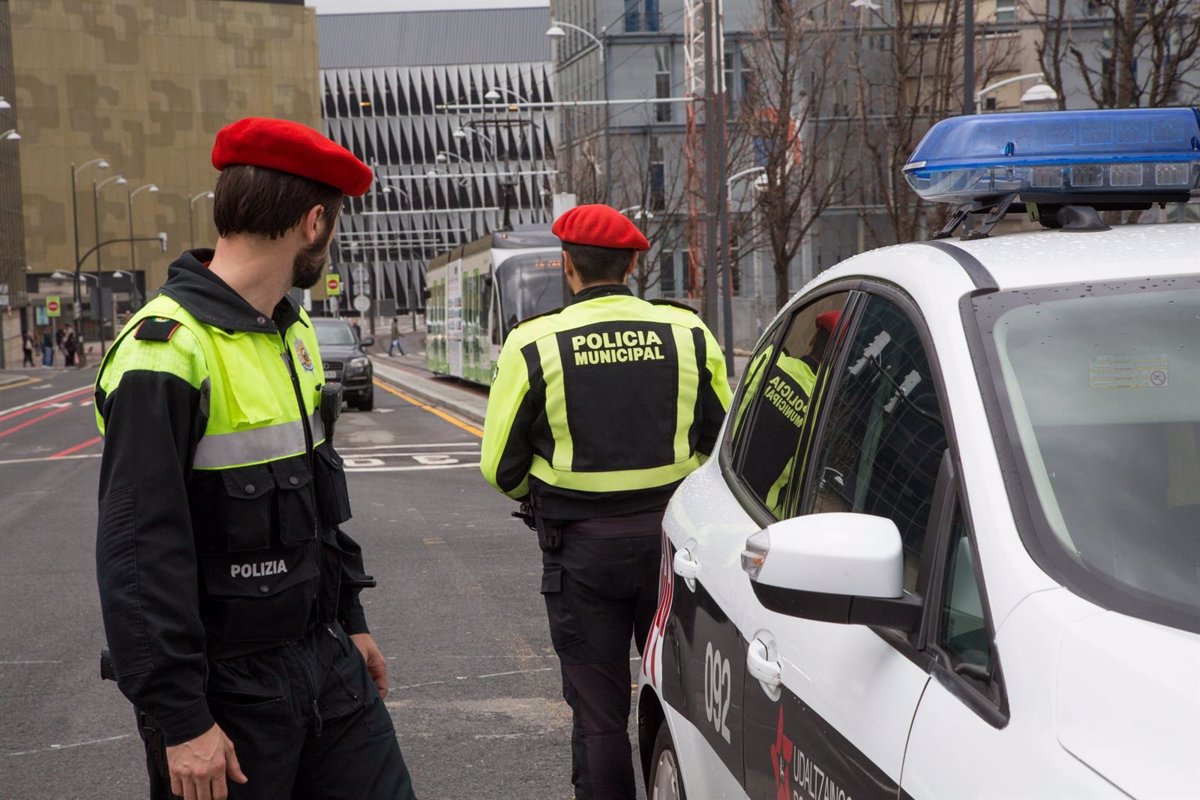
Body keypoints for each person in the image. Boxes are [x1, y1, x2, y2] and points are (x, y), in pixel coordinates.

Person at [94, 117, 417, 800]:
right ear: (311, 223)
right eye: (334, 224)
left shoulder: (291, 333)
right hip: (226, 692)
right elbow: (138, 558)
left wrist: (350, 621)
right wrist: (182, 722)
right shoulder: (165, 352)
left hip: (323, 661)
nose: (330, 243)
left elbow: (320, 504)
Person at [480, 204, 731, 800]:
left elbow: (500, 467)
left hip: (579, 554)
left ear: (566, 265)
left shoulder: (534, 344)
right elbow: (722, 443)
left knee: (598, 716)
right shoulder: (688, 334)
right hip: (672, 549)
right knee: (676, 698)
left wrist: (549, 494)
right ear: (634, 264)